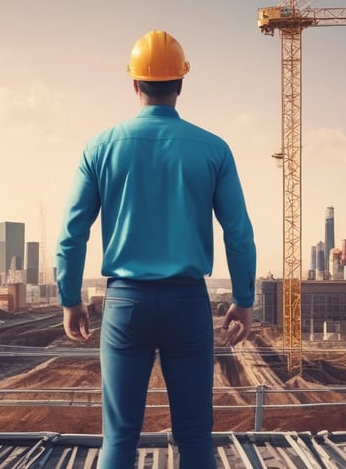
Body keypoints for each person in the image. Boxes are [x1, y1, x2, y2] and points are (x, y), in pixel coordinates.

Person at [56, 30, 256, 468]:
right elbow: (238, 231)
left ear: (135, 84)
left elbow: (73, 231)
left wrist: (70, 299)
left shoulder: (100, 147)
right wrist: (243, 300)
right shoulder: (214, 149)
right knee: (195, 436)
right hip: (187, 303)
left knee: (120, 437)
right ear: (181, 84)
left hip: (126, 302)